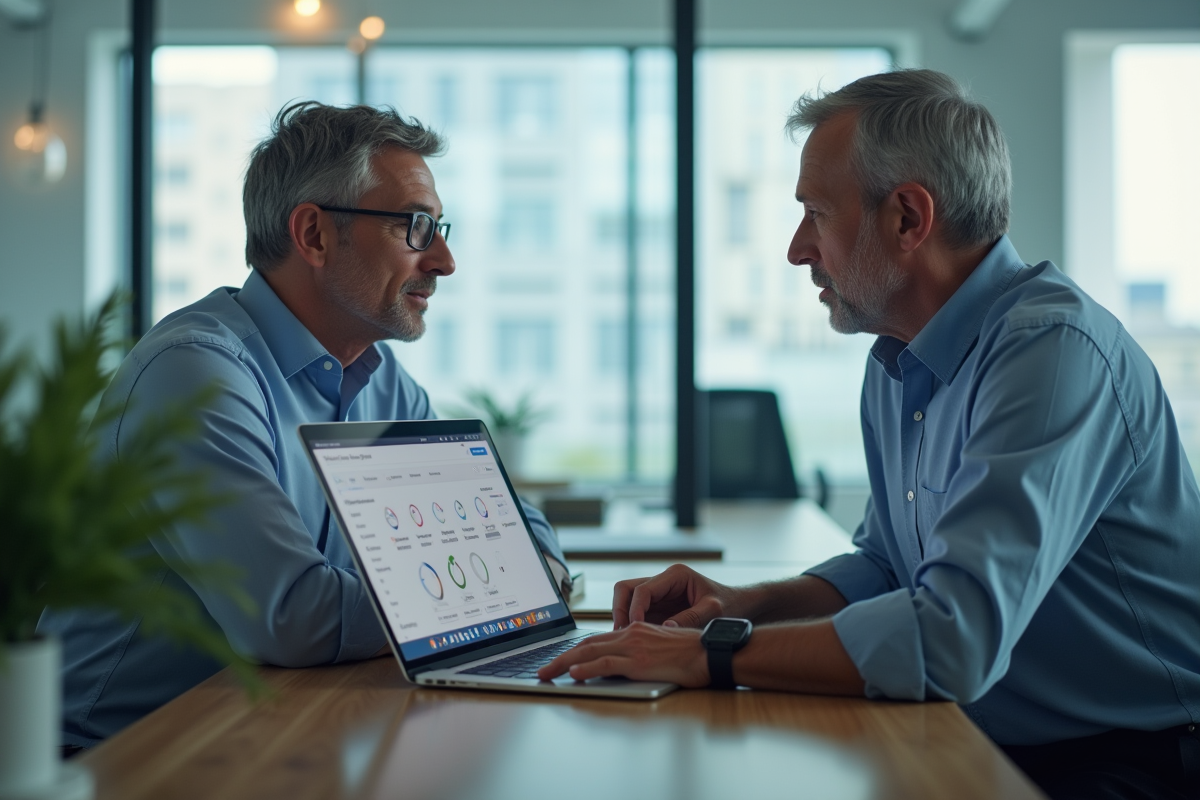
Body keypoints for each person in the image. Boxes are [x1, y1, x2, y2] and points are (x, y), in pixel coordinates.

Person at [539, 70, 1200, 798]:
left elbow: (952, 640)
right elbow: (890, 566)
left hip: (1134, 756)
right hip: (981, 729)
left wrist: (715, 654)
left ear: (909, 219)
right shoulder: (896, 357)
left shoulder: (1051, 352)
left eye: (815, 214)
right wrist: (741, 605)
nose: (797, 249)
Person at [38, 102, 570, 748]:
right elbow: (293, 618)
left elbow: (511, 524)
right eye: (417, 227)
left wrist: (500, 580)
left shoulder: (384, 382)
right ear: (314, 235)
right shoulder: (196, 375)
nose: (445, 260)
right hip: (115, 758)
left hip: (266, 734)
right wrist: (507, 590)